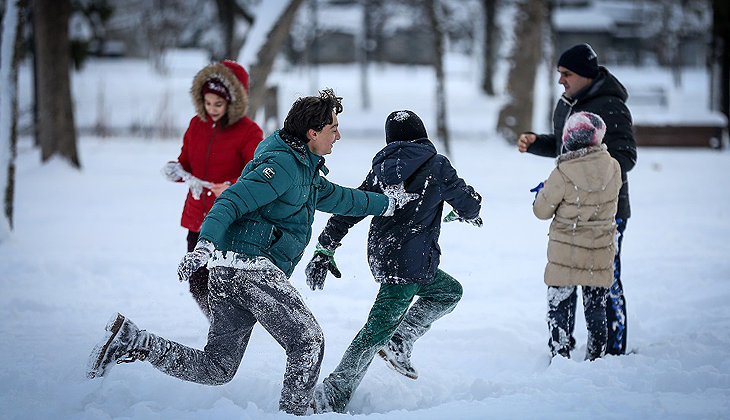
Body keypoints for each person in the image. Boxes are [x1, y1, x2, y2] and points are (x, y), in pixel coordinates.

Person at [87, 89, 417, 416]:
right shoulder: (282, 166)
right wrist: (204, 245)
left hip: (231, 272)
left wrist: (390, 203)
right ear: (312, 132)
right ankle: (294, 414)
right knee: (308, 340)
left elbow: (345, 198)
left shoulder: (306, 173)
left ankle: (134, 340)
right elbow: (230, 200)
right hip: (248, 268)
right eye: (333, 128)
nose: (338, 135)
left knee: (217, 368)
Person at [307, 110, 482, 413]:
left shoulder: (382, 169)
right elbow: (468, 202)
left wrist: (326, 245)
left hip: (384, 255)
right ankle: (333, 394)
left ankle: (400, 338)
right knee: (375, 331)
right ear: (422, 136)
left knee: (448, 292)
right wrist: (470, 210)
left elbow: (353, 206)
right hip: (410, 263)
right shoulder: (436, 165)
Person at [517, 43, 637, 355]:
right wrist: (537, 143)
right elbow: (566, 146)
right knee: (567, 278)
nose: (560, 80)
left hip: (606, 211)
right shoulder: (570, 102)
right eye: (559, 73)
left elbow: (625, 156)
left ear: (584, 74)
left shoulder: (610, 105)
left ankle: (614, 350)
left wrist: (585, 180)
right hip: (571, 210)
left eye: (566, 73)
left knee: (605, 280)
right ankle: (575, 349)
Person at [162, 60, 263, 320]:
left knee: (226, 280)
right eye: (207, 103)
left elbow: (258, 174)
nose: (212, 109)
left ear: (234, 101)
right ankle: (218, 322)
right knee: (197, 281)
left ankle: (231, 325)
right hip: (197, 216)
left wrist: (230, 187)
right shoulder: (197, 125)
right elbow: (186, 162)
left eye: (218, 104)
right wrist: (176, 171)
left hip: (230, 218)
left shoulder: (249, 131)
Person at [532, 111, 622, 361]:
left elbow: (541, 211)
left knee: (560, 305)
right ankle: (596, 355)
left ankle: (561, 355)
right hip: (600, 249)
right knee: (596, 307)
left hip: (566, 250)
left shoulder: (563, 172)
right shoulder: (613, 166)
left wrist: (543, 191)